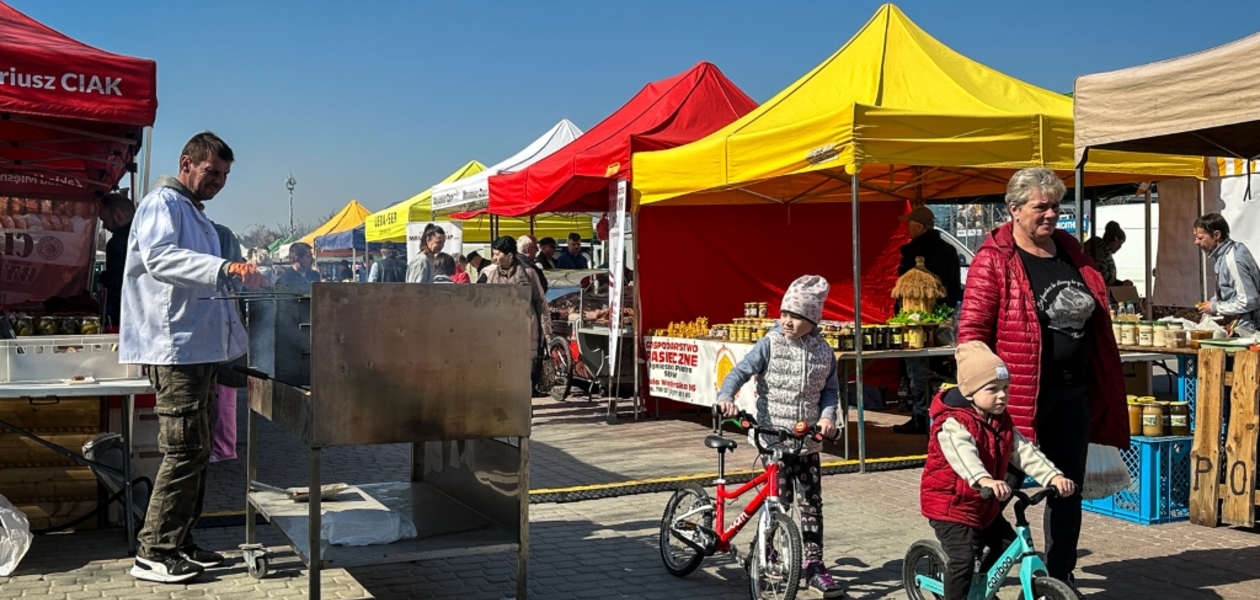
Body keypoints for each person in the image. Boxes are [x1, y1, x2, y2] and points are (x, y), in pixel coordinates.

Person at [958, 167, 1127, 594]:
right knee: (1002, 485)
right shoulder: (994, 260)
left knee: (1065, 487)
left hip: (1074, 392)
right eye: (1041, 207)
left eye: (1056, 206)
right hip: (1016, 399)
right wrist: (980, 392)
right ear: (1013, 210)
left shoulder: (1072, 252)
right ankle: (977, 560)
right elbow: (972, 332)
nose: (1051, 214)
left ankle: (1060, 574)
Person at [120, 131, 265, 583]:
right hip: (174, 349)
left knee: (198, 451)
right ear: (187, 163)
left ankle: (181, 541)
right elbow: (162, 259)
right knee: (183, 450)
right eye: (212, 172)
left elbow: (203, 280)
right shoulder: (162, 204)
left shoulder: (194, 214)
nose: (218, 182)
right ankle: (154, 551)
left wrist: (233, 283)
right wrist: (223, 268)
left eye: (224, 176)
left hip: (197, 348)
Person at [716, 275, 844, 599]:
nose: (786, 320)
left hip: (807, 442)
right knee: (778, 502)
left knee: (812, 505)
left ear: (812, 319)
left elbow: (831, 392)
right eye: (784, 313)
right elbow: (740, 370)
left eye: (795, 315)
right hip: (774, 441)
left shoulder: (824, 352)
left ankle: (814, 566)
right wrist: (727, 394)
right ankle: (767, 552)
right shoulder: (770, 344)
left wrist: (828, 417)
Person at [922, 341, 1076, 600]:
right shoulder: (952, 423)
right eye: (993, 389)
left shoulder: (1000, 420)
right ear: (970, 393)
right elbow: (964, 456)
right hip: (950, 504)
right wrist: (984, 479)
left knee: (1006, 545)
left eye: (1005, 388)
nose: (1002, 395)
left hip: (983, 504)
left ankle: (982, 587)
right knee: (962, 560)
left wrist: (1053, 476)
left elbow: (1024, 451)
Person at [893, 206, 963, 435]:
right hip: (945, 317)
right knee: (946, 369)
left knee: (918, 368)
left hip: (922, 321)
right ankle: (949, 412)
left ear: (920, 227)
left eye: (909, 224)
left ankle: (922, 415)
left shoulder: (919, 252)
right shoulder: (949, 250)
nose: (906, 228)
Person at [480, 236, 551, 381]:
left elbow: (540, 302)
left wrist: (547, 331)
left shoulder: (529, 273)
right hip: (501, 331)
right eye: (494, 254)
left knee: (524, 371)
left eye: (497, 254)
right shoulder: (492, 276)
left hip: (526, 328)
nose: (494, 258)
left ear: (510, 256)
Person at [1194, 212, 1260, 331]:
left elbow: (1248, 300)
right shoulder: (1224, 256)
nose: (1196, 242)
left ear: (1216, 235)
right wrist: (1211, 304)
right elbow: (1228, 292)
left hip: (1247, 331)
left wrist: (1215, 307)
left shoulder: (1233, 258)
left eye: (1200, 238)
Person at [98, 192, 135, 329]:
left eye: (104, 220)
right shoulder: (148, 238)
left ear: (118, 216)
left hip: (123, 318)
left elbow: (115, 288)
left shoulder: (116, 244)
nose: (104, 226)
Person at [1082, 221, 1131, 287]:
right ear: (1113, 239)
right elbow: (1100, 274)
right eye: (1119, 244)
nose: (1119, 247)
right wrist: (1120, 284)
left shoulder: (1096, 247)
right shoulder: (1100, 251)